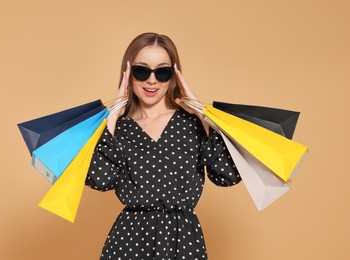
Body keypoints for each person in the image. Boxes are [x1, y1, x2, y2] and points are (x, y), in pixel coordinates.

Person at [85, 32, 241, 260]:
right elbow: (100, 179)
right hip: (129, 241)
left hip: (184, 240)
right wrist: (113, 115)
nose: (152, 80)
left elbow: (227, 175)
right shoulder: (119, 128)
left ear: (174, 75)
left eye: (162, 72)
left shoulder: (192, 123)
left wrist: (201, 112)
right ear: (127, 73)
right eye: (141, 71)